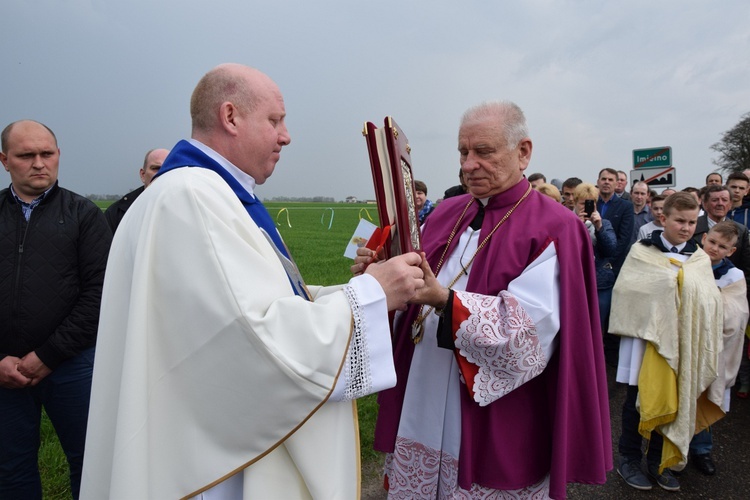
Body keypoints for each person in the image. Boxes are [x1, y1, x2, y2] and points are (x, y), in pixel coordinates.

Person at [80, 64, 425, 500]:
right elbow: (256, 338)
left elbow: (260, 301)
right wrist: (371, 295)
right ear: (230, 117)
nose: (286, 136)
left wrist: (363, 287)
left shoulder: (210, 192)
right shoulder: (193, 196)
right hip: (212, 468)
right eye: (275, 120)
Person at [356, 101, 611, 498]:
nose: (468, 164)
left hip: (495, 409)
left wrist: (443, 299)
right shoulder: (444, 213)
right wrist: (380, 279)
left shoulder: (555, 226)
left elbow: (528, 329)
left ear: (523, 152)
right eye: (463, 152)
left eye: (483, 152)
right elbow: (409, 297)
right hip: (422, 389)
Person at [0, 120, 112, 499]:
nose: (38, 163)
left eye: (46, 154)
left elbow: (99, 294)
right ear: (4, 161)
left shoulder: (84, 215)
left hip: (72, 366)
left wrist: (47, 356)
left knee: (90, 463)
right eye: (25, 155)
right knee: (10, 470)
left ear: (58, 156)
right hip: (4, 372)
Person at [611, 192, 723, 492]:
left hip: (682, 342)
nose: (686, 228)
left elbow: (709, 300)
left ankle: (658, 462)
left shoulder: (698, 258)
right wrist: (668, 287)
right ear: (664, 218)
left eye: (690, 222)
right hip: (647, 341)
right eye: (679, 221)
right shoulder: (642, 251)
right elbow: (627, 292)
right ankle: (629, 459)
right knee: (637, 402)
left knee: (674, 400)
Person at [688, 221, 748, 476]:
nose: (714, 248)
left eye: (723, 246)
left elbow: (737, 313)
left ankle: (702, 449)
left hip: (713, 348)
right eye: (712, 242)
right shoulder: (687, 264)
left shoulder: (734, 276)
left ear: (731, 251)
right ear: (703, 238)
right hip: (686, 343)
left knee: (704, 395)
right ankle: (670, 452)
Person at [596, 167, 634, 365]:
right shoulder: (590, 202)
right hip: (591, 264)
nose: (607, 182)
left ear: (617, 182)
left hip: (612, 266)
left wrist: (610, 260)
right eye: (603, 178)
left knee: (608, 311)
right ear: (598, 180)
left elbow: (624, 238)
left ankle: (608, 357)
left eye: (611, 179)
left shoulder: (625, 206)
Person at [573, 183, 617, 337]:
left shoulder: (604, 224)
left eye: (591, 203)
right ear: (575, 202)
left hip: (600, 283)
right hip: (576, 282)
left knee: (597, 328)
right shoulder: (567, 222)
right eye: (583, 203)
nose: (587, 207)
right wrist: (576, 225)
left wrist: (599, 228)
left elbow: (611, 250)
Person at [104, 148, 170, 232]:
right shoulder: (117, 213)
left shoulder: (185, 209)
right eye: (155, 168)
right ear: (143, 174)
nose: (161, 173)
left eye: (168, 169)